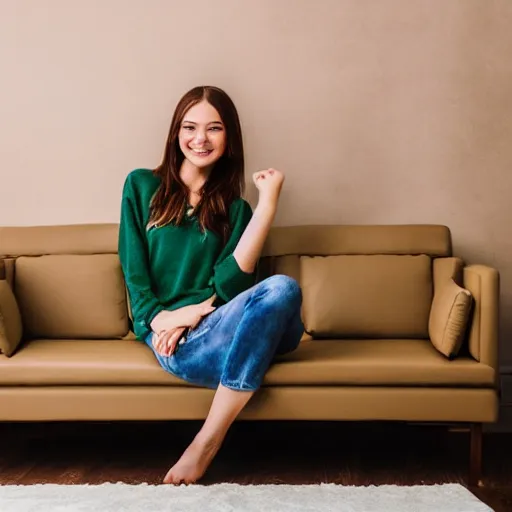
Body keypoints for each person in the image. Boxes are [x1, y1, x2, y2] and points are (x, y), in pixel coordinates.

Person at [118, 85, 304, 485]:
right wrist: (166, 319)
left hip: (218, 323)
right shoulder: (140, 186)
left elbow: (233, 285)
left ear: (229, 138)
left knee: (283, 290)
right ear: (175, 133)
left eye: (214, 128)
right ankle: (211, 437)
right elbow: (134, 272)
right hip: (178, 340)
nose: (200, 139)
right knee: (271, 309)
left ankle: (206, 440)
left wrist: (267, 202)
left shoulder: (236, 210)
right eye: (190, 127)